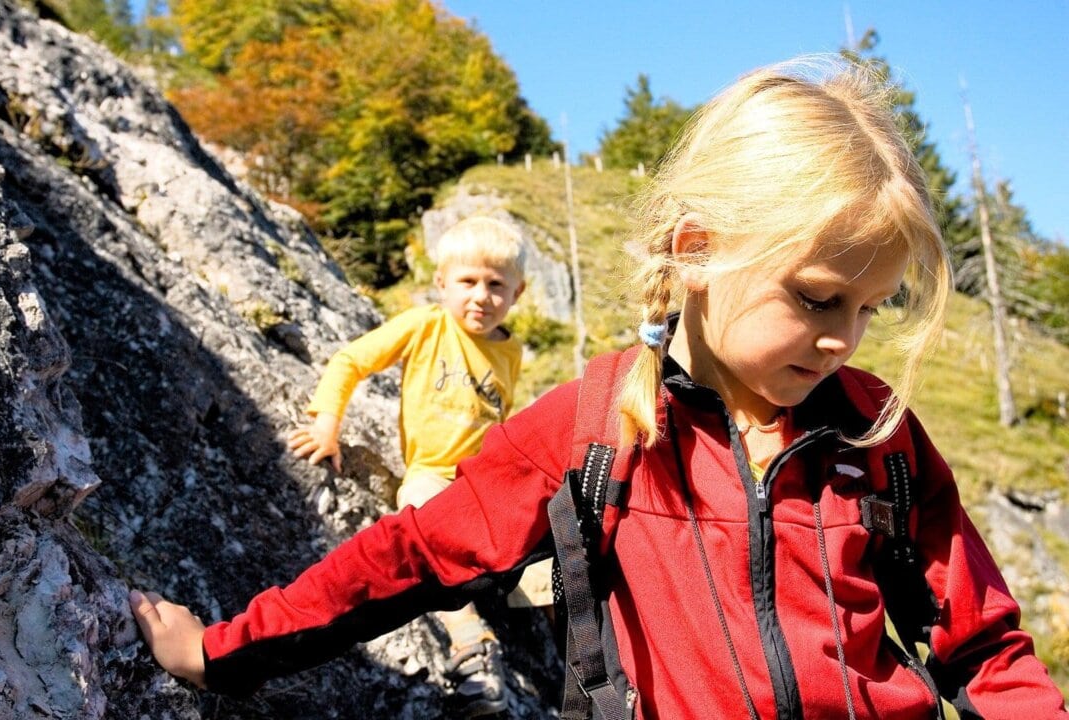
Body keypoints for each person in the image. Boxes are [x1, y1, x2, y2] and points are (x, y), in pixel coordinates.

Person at [130, 56, 1069, 718]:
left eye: (870, 308)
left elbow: (984, 649)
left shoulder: (880, 438)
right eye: (818, 297)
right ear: (697, 250)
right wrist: (219, 652)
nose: (842, 339)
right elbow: (410, 559)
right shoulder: (592, 432)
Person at [290, 214, 528, 715]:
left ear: (518, 292)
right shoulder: (427, 326)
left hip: (487, 482)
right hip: (435, 474)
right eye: (467, 281)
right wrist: (327, 426)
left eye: (496, 285)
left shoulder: (511, 351)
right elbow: (351, 361)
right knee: (420, 515)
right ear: (441, 283)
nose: (481, 296)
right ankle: (471, 646)